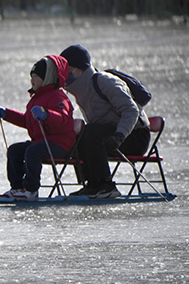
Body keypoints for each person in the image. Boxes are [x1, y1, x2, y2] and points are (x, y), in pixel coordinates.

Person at [59, 44, 151, 199]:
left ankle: (106, 185)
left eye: (67, 70)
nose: (64, 75)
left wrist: (119, 135)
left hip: (134, 136)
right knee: (78, 135)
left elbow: (131, 110)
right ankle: (93, 184)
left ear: (79, 69)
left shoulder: (104, 81)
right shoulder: (81, 90)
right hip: (111, 135)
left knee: (90, 132)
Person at [0, 55, 76, 201]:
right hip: (41, 142)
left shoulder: (58, 97)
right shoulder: (36, 99)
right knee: (15, 150)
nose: (32, 80)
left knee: (33, 151)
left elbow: (63, 119)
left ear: (47, 78)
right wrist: (6, 114)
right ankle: (17, 188)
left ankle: (31, 190)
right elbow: (27, 121)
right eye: (31, 76)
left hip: (61, 144)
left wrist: (46, 115)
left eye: (36, 77)